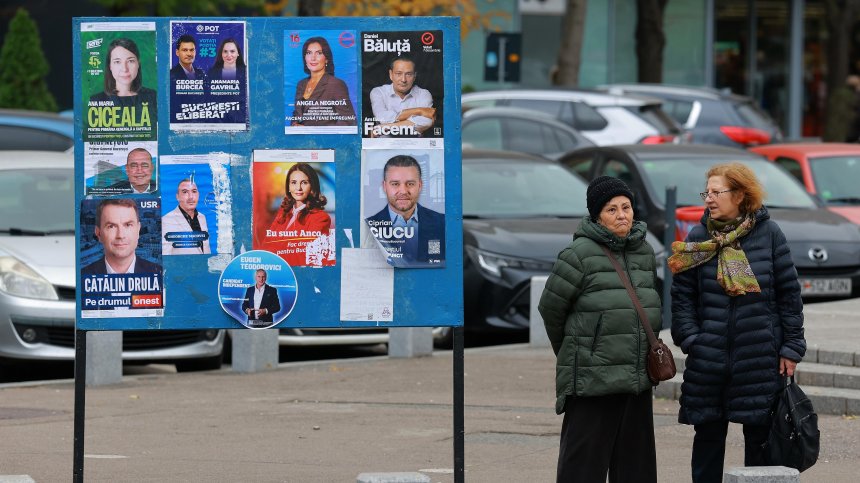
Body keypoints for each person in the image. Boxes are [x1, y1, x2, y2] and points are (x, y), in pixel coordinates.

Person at [669, 163, 805, 483]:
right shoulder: (699, 236)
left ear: (741, 195)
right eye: (708, 192)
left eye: (718, 192)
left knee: (759, 445)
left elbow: (789, 296)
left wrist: (790, 347)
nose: (710, 199)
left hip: (758, 358)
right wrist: (692, 340)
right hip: (709, 360)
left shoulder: (770, 235)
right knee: (707, 444)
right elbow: (682, 298)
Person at [538, 176, 661, 483]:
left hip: (636, 379)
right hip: (593, 380)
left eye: (626, 207)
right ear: (596, 216)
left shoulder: (643, 253)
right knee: (583, 469)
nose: (622, 215)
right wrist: (580, 349)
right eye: (612, 209)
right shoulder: (578, 254)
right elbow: (551, 309)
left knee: (636, 468)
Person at [365, 155, 445, 265]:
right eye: (395, 184)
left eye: (410, 184)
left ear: (420, 185)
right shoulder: (368, 226)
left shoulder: (441, 222)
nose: (403, 191)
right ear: (384, 186)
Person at [265, 163, 333, 266]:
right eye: (293, 182)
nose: (298, 188)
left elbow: (301, 253)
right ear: (288, 186)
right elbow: (267, 244)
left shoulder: (321, 218)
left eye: (304, 183)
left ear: (312, 187)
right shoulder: (283, 212)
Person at [82, 199, 162, 275]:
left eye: (128, 225)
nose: (120, 235)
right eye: (111, 226)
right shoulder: (82, 277)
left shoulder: (159, 273)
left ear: (138, 230)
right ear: (98, 233)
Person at [290, 37, 356, 126]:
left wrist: (311, 132)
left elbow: (348, 121)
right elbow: (297, 114)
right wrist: (294, 125)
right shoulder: (301, 84)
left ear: (326, 58)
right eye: (309, 53)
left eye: (319, 53)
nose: (313, 58)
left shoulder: (336, 84)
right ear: (304, 58)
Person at [89, 38, 157, 121]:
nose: (124, 69)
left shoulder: (152, 97)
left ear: (138, 64)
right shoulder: (96, 100)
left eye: (130, 61)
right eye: (117, 62)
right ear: (110, 66)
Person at [368, 56, 436, 136]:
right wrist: (418, 111)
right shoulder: (378, 92)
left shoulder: (423, 94)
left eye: (408, 74)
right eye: (398, 74)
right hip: (385, 146)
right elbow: (383, 118)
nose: (403, 80)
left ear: (414, 76)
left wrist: (389, 126)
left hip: (414, 146)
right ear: (391, 74)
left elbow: (427, 122)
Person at [162, 178, 211, 255]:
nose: (191, 197)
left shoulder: (202, 218)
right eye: (185, 192)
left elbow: (205, 250)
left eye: (194, 191)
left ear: (198, 194)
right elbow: (165, 255)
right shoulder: (166, 220)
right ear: (177, 197)